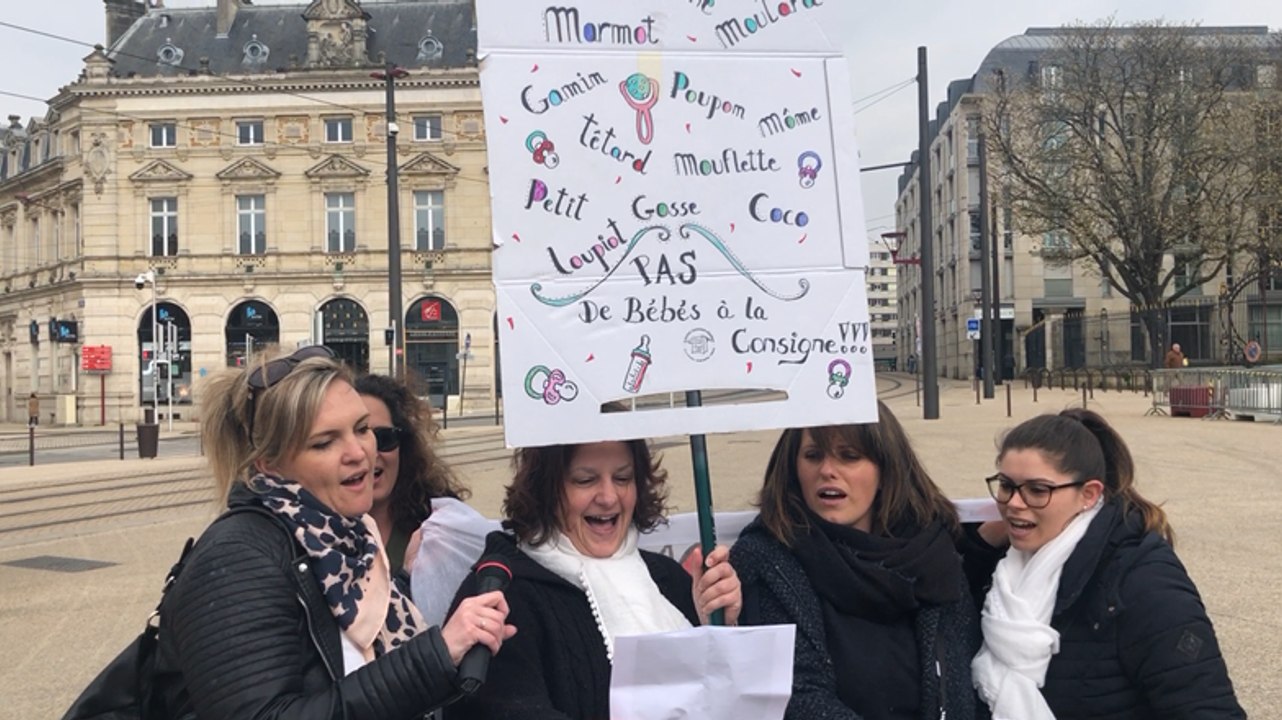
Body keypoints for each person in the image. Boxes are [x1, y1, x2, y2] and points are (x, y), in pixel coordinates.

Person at [160, 346, 515, 719]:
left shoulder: (348, 540)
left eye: (362, 429)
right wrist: (438, 654)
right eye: (324, 442)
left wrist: (403, 583)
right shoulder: (237, 559)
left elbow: (348, 651)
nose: (359, 453)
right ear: (269, 464)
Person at [971, 408, 1243, 719]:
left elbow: (1207, 707)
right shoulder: (1003, 565)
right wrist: (978, 547)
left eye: (1037, 490)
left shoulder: (1143, 580)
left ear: (1089, 495)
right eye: (1006, 485)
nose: (1014, 503)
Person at [446, 436, 742, 720]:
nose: (608, 497)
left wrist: (718, 628)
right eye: (585, 480)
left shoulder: (668, 579)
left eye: (623, 478)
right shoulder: (501, 596)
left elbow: (733, 699)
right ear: (546, 489)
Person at [731, 401, 980, 720]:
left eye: (849, 456)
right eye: (813, 455)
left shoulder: (933, 553)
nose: (827, 470)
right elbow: (795, 696)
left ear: (886, 468)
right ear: (792, 467)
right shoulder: (766, 559)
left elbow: (966, 682)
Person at [355, 373, 469, 578]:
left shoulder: (440, 525)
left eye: (383, 438)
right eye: (357, 439)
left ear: (403, 445)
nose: (369, 454)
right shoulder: (309, 537)